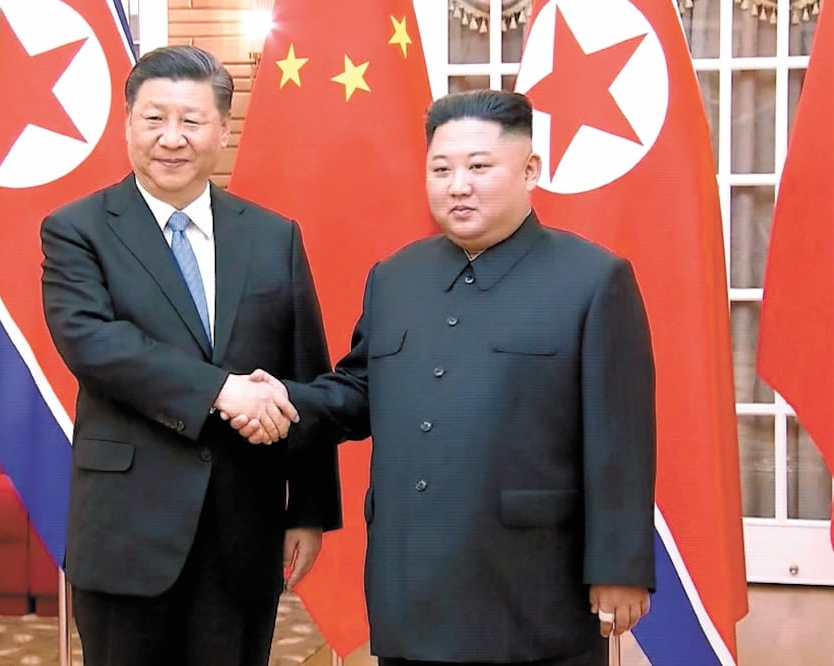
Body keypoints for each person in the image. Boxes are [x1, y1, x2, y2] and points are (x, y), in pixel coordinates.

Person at [231, 89, 656, 665]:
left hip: (531, 589)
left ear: (530, 169)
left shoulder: (593, 279)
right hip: (411, 582)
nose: (458, 185)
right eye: (441, 168)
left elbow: (621, 441)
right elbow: (358, 391)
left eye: (479, 167)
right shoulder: (396, 276)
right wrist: (282, 399)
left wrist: (619, 566)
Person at [40, 45, 341, 666]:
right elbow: (95, 344)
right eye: (154, 119)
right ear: (128, 123)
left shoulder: (272, 235)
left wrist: (308, 508)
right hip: (127, 529)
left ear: (222, 130)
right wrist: (222, 391)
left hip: (244, 528)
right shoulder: (77, 229)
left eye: (191, 121)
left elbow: (304, 370)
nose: (171, 139)